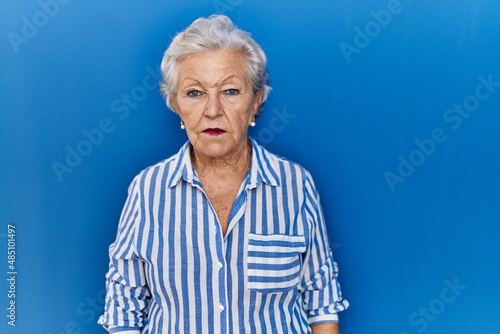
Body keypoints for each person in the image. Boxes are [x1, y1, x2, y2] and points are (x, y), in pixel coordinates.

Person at [98, 14, 348, 334]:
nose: (213, 110)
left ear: (256, 101)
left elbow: (322, 301)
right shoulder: (147, 190)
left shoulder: (296, 185)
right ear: (175, 104)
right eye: (195, 93)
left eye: (230, 91)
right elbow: (123, 308)